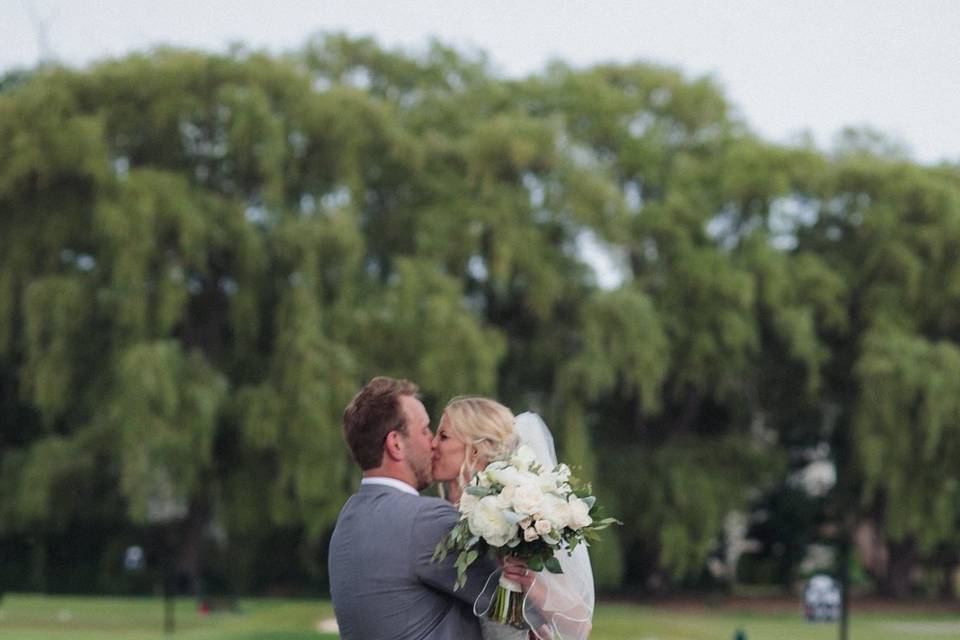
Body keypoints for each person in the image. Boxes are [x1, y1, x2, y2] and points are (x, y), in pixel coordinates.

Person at [328, 377, 500, 640]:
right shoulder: (426, 520)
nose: (432, 443)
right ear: (396, 444)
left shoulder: (347, 520)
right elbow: (512, 603)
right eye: (425, 431)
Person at [432, 397, 595, 640]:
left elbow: (579, 625)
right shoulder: (433, 518)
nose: (432, 444)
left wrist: (527, 580)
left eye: (443, 437)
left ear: (475, 449)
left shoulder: (514, 522)